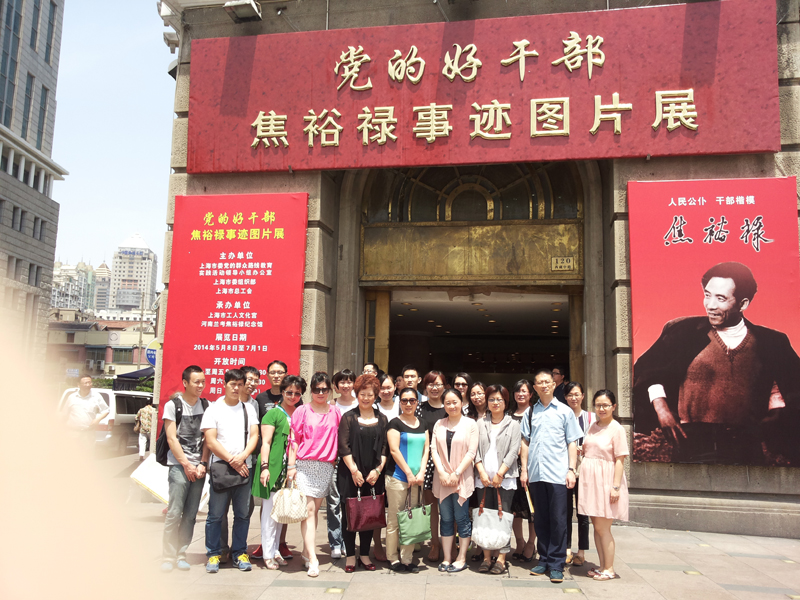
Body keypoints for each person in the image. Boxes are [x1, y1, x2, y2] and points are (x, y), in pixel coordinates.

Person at [632, 261, 800, 464]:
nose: (710, 305)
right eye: (707, 295)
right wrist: (662, 411)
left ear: (743, 304)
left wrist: (774, 418)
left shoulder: (770, 342)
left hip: (746, 447)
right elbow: (650, 372)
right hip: (692, 443)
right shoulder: (683, 332)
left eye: (721, 298)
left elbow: (786, 385)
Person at [520, 369, 581, 584]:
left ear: (554, 385)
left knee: (558, 519)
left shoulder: (565, 411)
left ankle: (556, 563)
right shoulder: (530, 412)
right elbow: (525, 442)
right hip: (537, 474)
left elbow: (572, 442)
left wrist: (571, 470)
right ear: (535, 387)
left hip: (558, 474)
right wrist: (524, 469)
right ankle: (544, 559)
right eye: (540, 382)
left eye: (548, 381)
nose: (544, 385)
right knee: (541, 519)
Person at [201, 368, 259, 574]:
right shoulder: (213, 409)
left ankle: (240, 553)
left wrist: (243, 456)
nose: (236, 388)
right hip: (221, 468)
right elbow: (210, 440)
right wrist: (232, 460)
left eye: (240, 384)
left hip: (244, 467)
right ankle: (214, 553)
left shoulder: (248, 409)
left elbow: (254, 436)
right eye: (232, 384)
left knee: (242, 514)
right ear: (224, 384)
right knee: (215, 515)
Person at [287, 371, 342, 577]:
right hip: (304, 465)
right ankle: (313, 558)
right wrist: (291, 466)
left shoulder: (335, 412)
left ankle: (305, 551)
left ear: (330, 390)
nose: (321, 393)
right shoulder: (302, 411)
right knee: (308, 510)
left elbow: (340, 437)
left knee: (314, 511)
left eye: (324, 389)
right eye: (317, 389)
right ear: (311, 390)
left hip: (325, 466)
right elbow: (294, 439)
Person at [337, 374, 389, 572]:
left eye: (370, 394)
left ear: (376, 396)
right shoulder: (348, 417)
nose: (366, 398)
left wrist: (378, 470)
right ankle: (351, 556)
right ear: (357, 394)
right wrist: (354, 470)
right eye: (362, 394)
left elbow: (385, 448)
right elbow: (343, 446)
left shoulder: (382, 419)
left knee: (370, 514)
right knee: (349, 514)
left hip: (374, 474)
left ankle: (365, 555)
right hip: (350, 473)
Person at [161, 365, 210, 572]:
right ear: (185, 383)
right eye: (196, 382)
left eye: (203, 382)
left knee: (190, 514)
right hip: (179, 466)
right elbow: (172, 438)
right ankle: (168, 555)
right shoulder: (173, 405)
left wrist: (202, 463)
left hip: (198, 469)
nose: (200, 385)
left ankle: (181, 553)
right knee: (174, 512)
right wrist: (187, 465)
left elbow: (208, 438)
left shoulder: (207, 405)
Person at [254, 375, 305, 569]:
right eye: (289, 392)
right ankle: (267, 554)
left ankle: (275, 550)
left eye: (297, 393)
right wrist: (265, 467)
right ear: (282, 392)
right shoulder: (273, 414)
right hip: (274, 467)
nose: (293, 396)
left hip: (292, 468)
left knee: (281, 513)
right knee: (270, 513)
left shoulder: (300, 412)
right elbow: (266, 442)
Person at [578, 390, 629, 581]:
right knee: (597, 527)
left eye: (606, 405)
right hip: (591, 482)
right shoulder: (593, 425)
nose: (601, 409)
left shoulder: (617, 429)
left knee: (603, 528)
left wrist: (615, 487)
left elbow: (620, 460)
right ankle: (602, 566)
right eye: (598, 405)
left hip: (605, 481)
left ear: (613, 407)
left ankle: (609, 568)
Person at [474, 384, 521, 575]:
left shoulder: (513, 424)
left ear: (505, 402)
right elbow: (474, 450)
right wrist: (482, 472)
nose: (495, 403)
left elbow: (513, 451)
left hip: (505, 478)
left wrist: (500, 474)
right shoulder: (480, 423)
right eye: (491, 399)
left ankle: (501, 558)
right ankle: (486, 557)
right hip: (483, 479)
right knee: (485, 516)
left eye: (499, 399)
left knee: (504, 517)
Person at [431, 388, 479, 573]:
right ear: (444, 405)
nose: (452, 406)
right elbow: (434, 450)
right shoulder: (439, 424)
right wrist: (442, 473)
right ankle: (447, 557)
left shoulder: (470, 424)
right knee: (445, 519)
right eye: (448, 403)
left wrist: (457, 473)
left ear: (462, 403)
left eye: (455, 402)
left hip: (462, 478)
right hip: (442, 479)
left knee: (462, 518)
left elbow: (471, 452)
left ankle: (461, 557)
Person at [385, 387, 429, 573]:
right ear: (400, 402)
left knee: (411, 519)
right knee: (395, 520)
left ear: (417, 402)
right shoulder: (395, 423)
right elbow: (394, 450)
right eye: (404, 400)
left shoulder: (423, 423)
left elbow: (426, 449)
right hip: (398, 478)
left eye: (412, 400)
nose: (408, 404)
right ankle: (393, 558)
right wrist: (409, 473)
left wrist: (421, 473)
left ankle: (407, 559)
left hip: (417, 480)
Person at [327, 369, 358, 560]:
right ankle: (335, 542)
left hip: (355, 460)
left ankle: (348, 542)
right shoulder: (331, 406)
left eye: (349, 381)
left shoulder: (361, 404)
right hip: (334, 459)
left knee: (350, 503)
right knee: (333, 503)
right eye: (342, 382)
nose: (346, 385)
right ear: (336, 385)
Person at [417, 369, 447, 561]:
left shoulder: (451, 406)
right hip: (427, 462)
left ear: (445, 386)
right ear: (425, 386)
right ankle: (435, 543)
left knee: (449, 507)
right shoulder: (419, 408)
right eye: (430, 384)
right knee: (432, 506)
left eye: (438, 384)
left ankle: (449, 543)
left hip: (449, 462)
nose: (434, 388)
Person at [564, 382, 593, 567]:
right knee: (565, 510)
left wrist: (586, 448)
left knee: (583, 512)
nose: (573, 398)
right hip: (566, 469)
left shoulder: (591, 417)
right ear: (565, 397)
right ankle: (567, 549)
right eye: (570, 395)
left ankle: (581, 551)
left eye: (577, 394)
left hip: (584, 469)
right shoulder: (562, 416)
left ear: (582, 396)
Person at [509, 379, 536, 563]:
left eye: (524, 391)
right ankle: (519, 541)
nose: (521, 394)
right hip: (512, 467)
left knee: (532, 508)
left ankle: (531, 543)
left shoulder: (535, 413)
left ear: (531, 394)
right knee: (515, 509)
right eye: (518, 391)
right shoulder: (509, 415)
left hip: (531, 466)